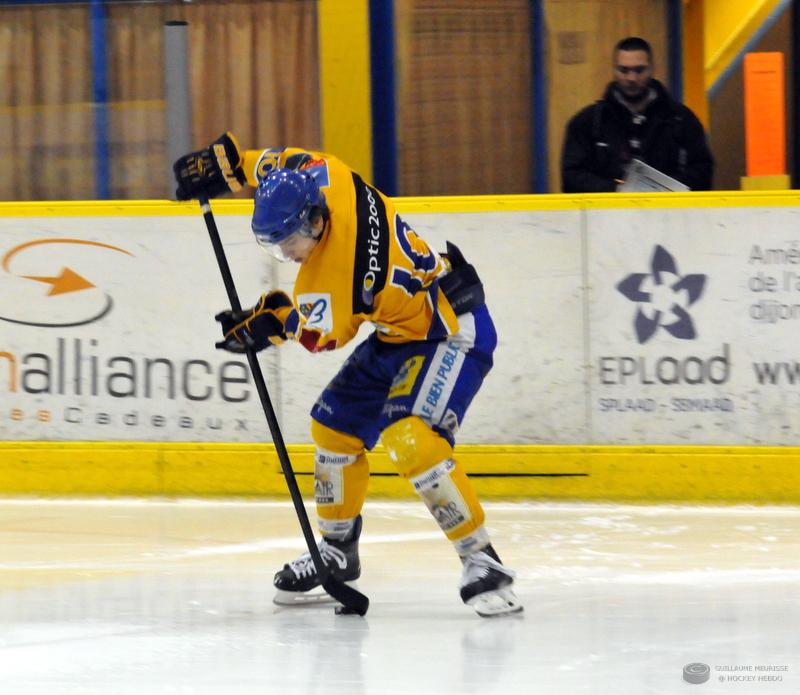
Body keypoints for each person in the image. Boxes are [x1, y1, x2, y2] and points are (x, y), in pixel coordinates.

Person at [172, 133, 523, 617]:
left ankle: (483, 561)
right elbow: (281, 164)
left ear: (316, 223)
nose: (288, 255)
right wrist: (235, 167)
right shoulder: (329, 175)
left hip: (451, 330)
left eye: (290, 243)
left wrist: (271, 323)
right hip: (401, 331)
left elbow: (321, 338)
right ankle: (336, 552)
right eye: (275, 247)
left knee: (410, 438)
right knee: (333, 428)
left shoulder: (329, 279)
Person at [561, 36, 713, 193]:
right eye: (624, 70)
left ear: (652, 69)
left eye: (639, 70)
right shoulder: (588, 123)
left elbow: (702, 172)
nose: (632, 78)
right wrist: (617, 190)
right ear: (614, 70)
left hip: (668, 213)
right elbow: (572, 177)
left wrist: (662, 191)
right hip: (607, 215)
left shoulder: (681, 120)